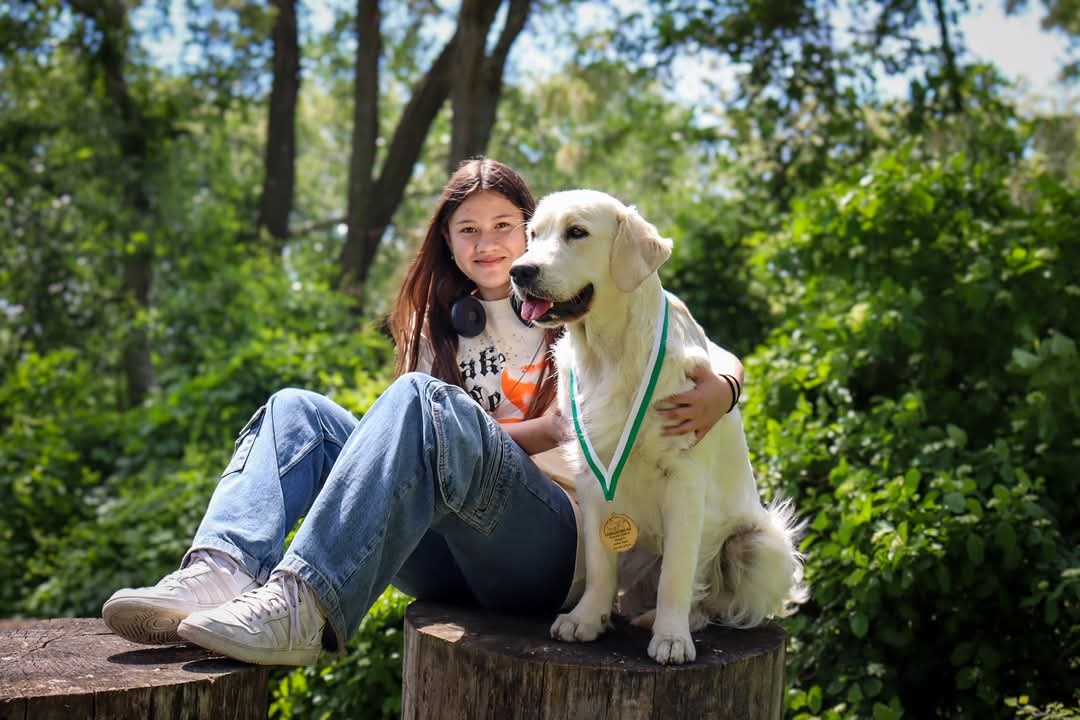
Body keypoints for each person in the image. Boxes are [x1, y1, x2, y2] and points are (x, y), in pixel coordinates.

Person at [101, 158, 745, 666]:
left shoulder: (583, 301)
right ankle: (219, 572)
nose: (490, 244)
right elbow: (417, 444)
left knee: (421, 404)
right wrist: (477, 432)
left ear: (532, 230)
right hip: (444, 550)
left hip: (545, 551)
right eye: (468, 229)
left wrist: (725, 388)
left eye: (504, 227)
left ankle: (303, 607)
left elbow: (701, 349)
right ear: (447, 239)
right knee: (296, 409)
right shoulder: (436, 323)